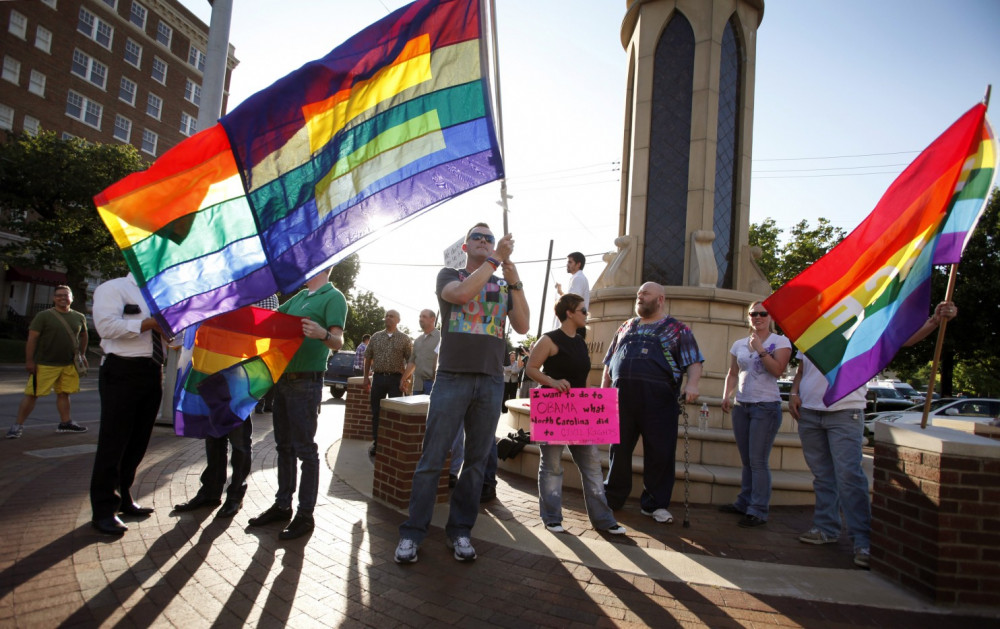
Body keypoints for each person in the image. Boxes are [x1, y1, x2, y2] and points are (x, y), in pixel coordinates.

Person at [394, 222, 529, 563]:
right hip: (452, 377)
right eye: (477, 237)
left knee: (476, 461)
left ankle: (460, 531)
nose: (485, 241)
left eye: (489, 237)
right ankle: (413, 533)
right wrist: (495, 260)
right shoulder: (449, 274)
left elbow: (524, 325)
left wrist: (514, 280)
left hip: (490, 380)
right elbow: (461, 295)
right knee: (433, 458)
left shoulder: (501, 281)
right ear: (466, 246)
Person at [789, 300, 957, 570]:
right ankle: (825, 528)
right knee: (823, 476)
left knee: (849, 476)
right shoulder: (812, 329)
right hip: (809, 413)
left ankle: (862, 541)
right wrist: (795, 394)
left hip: (845, 412)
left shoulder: (861, 327)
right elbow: (801, 371)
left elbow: (902, 339)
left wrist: (935, 321)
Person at [248, 268, 346, 540]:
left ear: (324, 266)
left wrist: (322, 333)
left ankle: (305, 515)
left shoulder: (333, 297)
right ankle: (282, 506)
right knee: (284, 446)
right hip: (284, 379)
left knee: (305, 449)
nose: (301, 268)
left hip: (306, 382)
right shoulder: (300, 296)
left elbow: (337, 342)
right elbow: (271, 320)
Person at [602, 282, 703, 524]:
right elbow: (608, 363)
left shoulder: (678, 329)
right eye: (638, 294)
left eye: (645, 293)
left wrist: (692, 384)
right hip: (621, 398)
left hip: (659, 401)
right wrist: (604, 392)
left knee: (660, 452)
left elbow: (694, 362)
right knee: (619, 449)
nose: (640, 297)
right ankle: (612, 498)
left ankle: (655, 504)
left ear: (660, 299)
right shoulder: (625, 326)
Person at [526, 293, 625, 536]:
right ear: (569, 313)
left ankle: (603, 519)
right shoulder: (548, 340)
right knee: (551, 465)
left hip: (580, 411)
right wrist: (551, 381)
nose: (586, 314)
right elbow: (530, 368)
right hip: (553, 410)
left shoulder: (581, 341)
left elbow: (582, 377)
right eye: (582, 310)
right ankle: (551, 517)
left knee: (591, 465)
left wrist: (593, 396)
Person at [175, 295, 278, 519]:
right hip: (212, 372)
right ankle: (210, 491)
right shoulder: (222, 292)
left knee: (239, 441)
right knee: (214, 437)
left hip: (239, 378)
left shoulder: (266, 296)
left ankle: (235, 495)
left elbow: (266, 333)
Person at [89, 274, 168, 535]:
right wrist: (148, 323)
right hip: (121, 370)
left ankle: (124, 496)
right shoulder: (112, 288)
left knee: (138, 440)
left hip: (152, 370)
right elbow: (106, 327)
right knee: (114, 442)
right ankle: (103, 509)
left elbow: (169, 334)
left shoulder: (162, 291)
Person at [718, 301, 792, 528]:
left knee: (758, 461)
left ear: (771, 317)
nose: (757, 317)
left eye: (762, 313)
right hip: (743, 406)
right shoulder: (739, 343)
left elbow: (778, 371)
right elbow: (732, 372)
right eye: (753, 314)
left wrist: (760, 349)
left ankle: (758, 509)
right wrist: (726, 395)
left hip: (765, 407)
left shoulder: (780, 341)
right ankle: (744, 502)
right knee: (747, 460)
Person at [6, 285, 88, 439]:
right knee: (32, 394)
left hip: (68, 364)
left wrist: (82, 355)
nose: (63, 298)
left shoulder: (79, 316)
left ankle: (65, 423)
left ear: (72, 298)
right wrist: (30, 361)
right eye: (59, 295)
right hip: (45, 364)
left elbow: (84, 335)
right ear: (53, 298)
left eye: (66, 295)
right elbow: (32, 339)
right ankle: (17, 425)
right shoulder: (44, 316)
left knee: (64, 393)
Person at [363, 310, 412, 455]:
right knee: (376, 412)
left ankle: (393, 444)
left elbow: (411, 361)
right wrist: (365, 377)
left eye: (391, 316)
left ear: (398, 320)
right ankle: (377, 444)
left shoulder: (404, 339)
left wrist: (407, 379)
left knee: (396, 412)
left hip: (396, 380)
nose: (388, 318)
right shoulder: (376, 337)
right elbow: (368, 358)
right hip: (378, 378)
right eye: (386, 316)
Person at [402, 309, 439, 396]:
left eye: (424, 317)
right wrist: (403, 379)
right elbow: (412, 362)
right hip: (418, 384)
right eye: (420, 316)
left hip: (433, 384)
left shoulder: (441, 338)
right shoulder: (418, 340)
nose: (421, 319)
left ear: (433, 319)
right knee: (416, 409)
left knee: (430, 409)